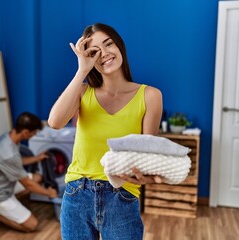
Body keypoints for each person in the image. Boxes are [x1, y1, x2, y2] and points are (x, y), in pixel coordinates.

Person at [48, 23, 163, 239]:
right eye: (94, 51)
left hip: (122, 196)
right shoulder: (83, 92)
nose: (104, 54)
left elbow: (148, 157)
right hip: (76, 195)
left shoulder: (150, 96)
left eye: (108, 44)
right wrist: (82, 69)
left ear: (119, 46)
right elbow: (54, 122)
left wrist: (143, 175)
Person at [0, 112, 58, 233]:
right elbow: (28, 184)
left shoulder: (8, 138)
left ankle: (9, 205)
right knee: (32, 225)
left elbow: (17, 162)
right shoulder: (8, 153)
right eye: (33, 133)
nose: (33, 135)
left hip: (5, 184)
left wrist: (37, 158)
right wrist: (49, 193)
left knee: (38, 178)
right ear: (26, 132)